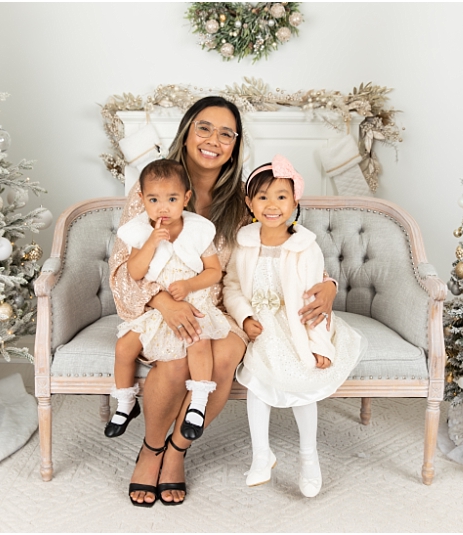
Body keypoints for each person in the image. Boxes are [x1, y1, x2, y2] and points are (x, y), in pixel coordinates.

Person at [108, 96, 341, 506]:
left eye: (226, 133)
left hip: (221, 307)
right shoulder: (152, 188)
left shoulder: (244, 201)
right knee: (177, 356)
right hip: (158, 303)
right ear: (186, 132)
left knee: (225, 354)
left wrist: (328, 284)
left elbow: (283, 249)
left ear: (235, 143)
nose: (214, 139)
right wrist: (164, 302)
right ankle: (151, 449)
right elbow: (123, 268)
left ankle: (178, 450)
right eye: (204, 127)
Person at [223, 156, 364, 498]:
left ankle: (308, 458)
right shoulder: (243, 242)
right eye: (263, 197)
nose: (272, 205)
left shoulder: (305, 246)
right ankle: (261, 455)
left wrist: (319, 345)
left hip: (298, 324)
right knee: (257, 383)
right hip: (261, 327)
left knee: (302, 384)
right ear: (249, 203)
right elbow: (232, 287)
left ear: (295, 202)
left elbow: (313, 301)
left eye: (281, 197)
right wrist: (244, 317)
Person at [106, 160, 229, 449]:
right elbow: (135, 273)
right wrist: (150, 243)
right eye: (154, 200)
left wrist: (189, 285)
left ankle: (197, 403)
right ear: (142, 200)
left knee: (198, 342)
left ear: (186, 198)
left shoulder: (198, 231)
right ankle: (125, 402)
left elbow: (214, 271)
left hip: (191, 300)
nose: (163, 208)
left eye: (172, 199)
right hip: (155, 309)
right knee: (123, 347)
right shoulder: (140, 233)